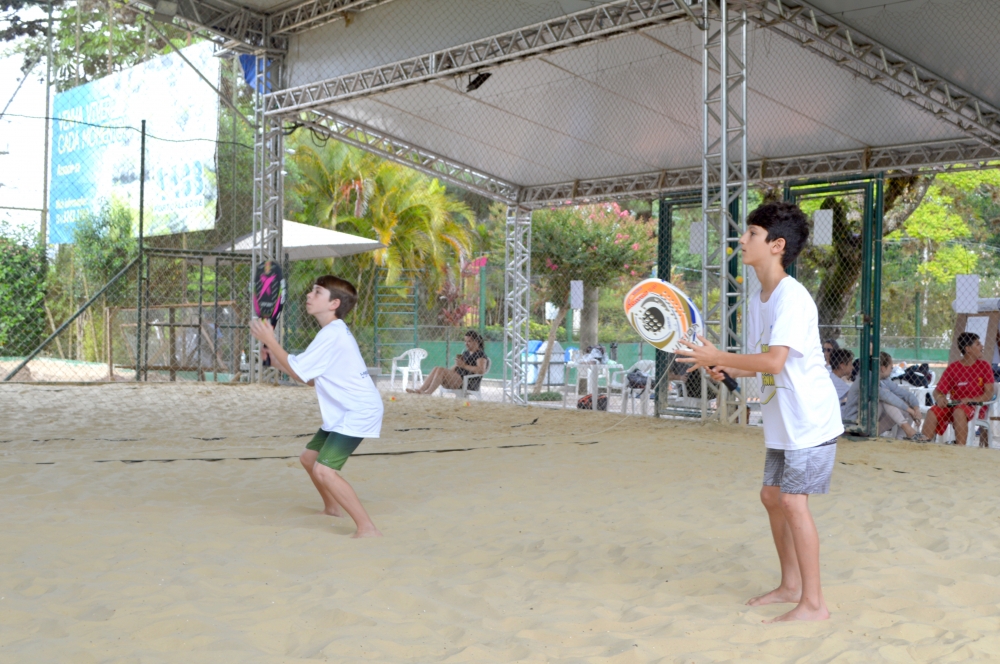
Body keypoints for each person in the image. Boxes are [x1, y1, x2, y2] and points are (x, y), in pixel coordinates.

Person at [677, 202, 842, 623]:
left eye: (752, 233)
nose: (742, 239)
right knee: (772, 497)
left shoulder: (792, 297)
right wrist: (723, 366)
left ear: (776, 245)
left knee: (793, 502)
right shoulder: (758, 298)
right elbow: (759, 362)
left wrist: (722, 356)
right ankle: (790, 586)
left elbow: (774, 361)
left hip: (810, 420)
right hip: (783, 420)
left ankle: (814, 605)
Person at [249, 275, 383, 538]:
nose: (309, 295)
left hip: (358, 411)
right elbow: (310, 379)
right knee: (309, 458)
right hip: (344, 410)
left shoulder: (332, 333)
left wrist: (271, 340)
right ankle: (332, 508)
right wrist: (276, 361)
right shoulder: (331, 332)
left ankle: (367, 528)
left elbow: (300, 372)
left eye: (317, 292)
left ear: (334, 303)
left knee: (324, 470)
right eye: (311, 290)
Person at [921, 332, 995, 445]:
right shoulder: (953, 367)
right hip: (954, 405)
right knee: (932, 412)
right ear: (968, 349)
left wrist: (971, 400)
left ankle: (960, 448)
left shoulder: (984, 366)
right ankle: (924, 445)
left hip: (974, 406)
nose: (982, 346)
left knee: (959, 412)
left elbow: (989, 393)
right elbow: (938, 391)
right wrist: (940, 398)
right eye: (978, 344)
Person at [842, 352, 924, 440]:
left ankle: (901, 438)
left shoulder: (884, 380)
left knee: (906, 404)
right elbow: (885, 396)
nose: (892, 370)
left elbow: (906, 394)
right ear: (883, 368)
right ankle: (910, 431)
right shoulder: (866, 377)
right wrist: (911, 411)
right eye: (891, 367)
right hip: (855, 426)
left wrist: (916, 409)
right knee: (884, 400)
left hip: (870, 428)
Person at [407, 330, 489, 395]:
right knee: (437, 368)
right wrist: (457, 365)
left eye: (469, 341)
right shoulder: (466, 353)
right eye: (465, 341)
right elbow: (458, 367)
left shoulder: (480, 354)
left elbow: (481, 370)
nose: (466, 344)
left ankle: (428, 393)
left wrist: (464, 365)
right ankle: (420, 390)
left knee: (441, 370)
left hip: (466, 382)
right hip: (456, 378)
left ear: (476, 341)